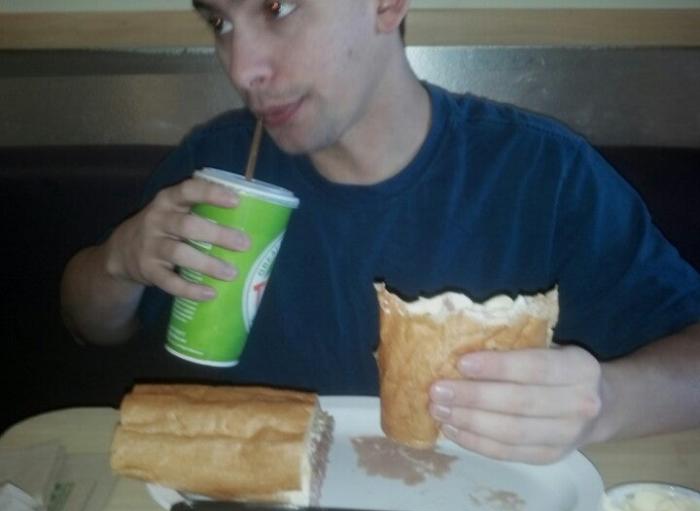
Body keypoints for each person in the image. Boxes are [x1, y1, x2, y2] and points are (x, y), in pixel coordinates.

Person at [60, 0, 700, 465]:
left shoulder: (541, 174)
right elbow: (89, 325)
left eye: (278, 8)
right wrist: (117, 264)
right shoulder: (214, 166)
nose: (242, 67)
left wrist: (607, 401)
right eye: (220, 22)